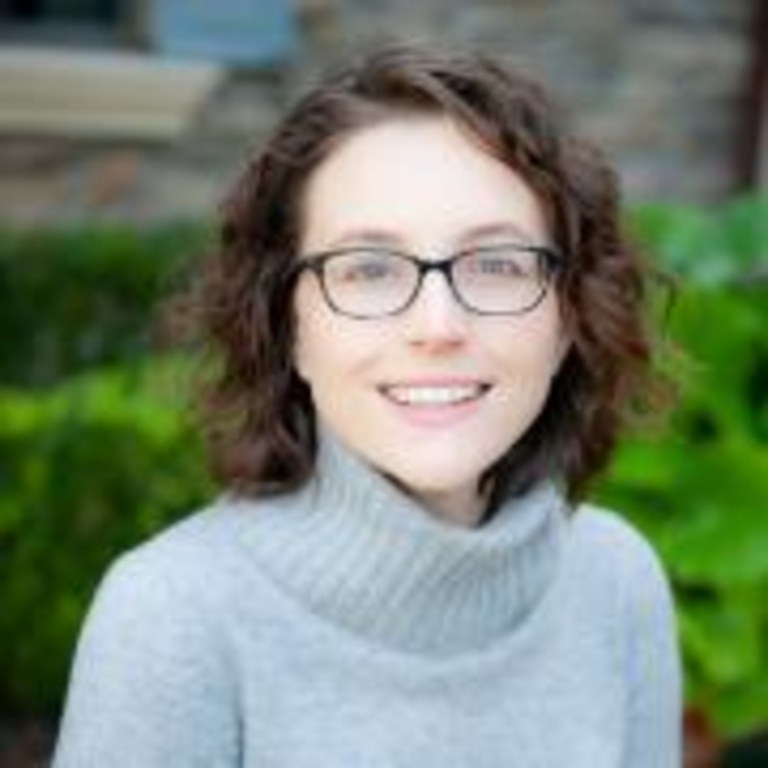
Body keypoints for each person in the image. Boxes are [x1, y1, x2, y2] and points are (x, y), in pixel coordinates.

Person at [53, 46, 682, 767]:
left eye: (497, 264)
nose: (437, 326)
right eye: (370, 270)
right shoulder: (172, 617)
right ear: (289, 325)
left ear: (569, 316)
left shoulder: (616, 580)